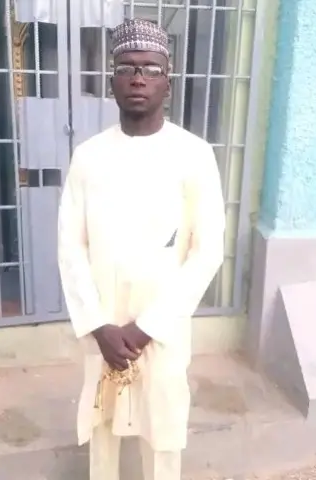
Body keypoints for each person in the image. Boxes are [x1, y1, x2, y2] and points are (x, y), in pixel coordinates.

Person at [58, 18, 225, 480]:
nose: (138, 78)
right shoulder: (89, 156)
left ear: (167, 83)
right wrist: (98, 326)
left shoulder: (194, 155)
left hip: (161, 328)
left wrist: (147, 327)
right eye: (127, 68)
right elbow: (70, 246)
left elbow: (207, 252)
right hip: (104, 326)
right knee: (102, 425)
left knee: (163, 430)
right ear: (111, 81)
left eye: (151, 69)